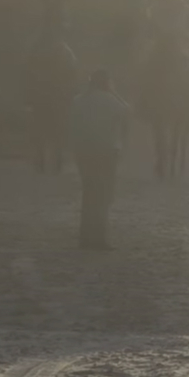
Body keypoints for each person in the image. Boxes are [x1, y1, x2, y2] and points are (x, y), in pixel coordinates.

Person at [69, 70, 131, 250]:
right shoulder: (111, 101)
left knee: (88, 193)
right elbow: (127, 111)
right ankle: (99, 238)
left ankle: (85, 237)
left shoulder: (78, 100)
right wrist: (115, 93)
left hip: (84, 152)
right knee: (103, 195)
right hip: (106, 151)